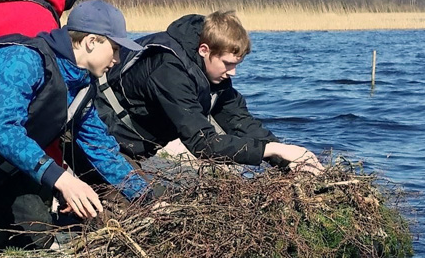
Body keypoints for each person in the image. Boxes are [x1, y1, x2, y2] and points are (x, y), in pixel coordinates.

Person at [0, 0, 150, 251]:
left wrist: (147, 197)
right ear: (91, 42)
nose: (118, 59)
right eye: (116, 49)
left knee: (38, 237)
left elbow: (101, 149)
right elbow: (3, 130)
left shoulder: (82, 87)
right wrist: (63, 180)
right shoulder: (24, 60)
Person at [94, 11, 323, 173]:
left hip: (133, 148)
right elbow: (202, 144)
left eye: (236, 65)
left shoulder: (213, 72)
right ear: (204, 50)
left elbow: (239, 121)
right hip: (102, 140)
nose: (232, 73)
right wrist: (272, 149)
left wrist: (285, 158)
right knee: (141, 207)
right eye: (227, 64)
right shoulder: (168, 69)